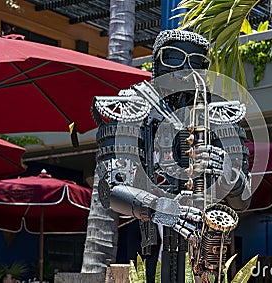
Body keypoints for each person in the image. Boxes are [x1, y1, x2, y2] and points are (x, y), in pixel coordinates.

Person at [92, 29, 251, 283]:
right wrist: (162, 209)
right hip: (152, 244)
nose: (185, 70)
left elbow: (243, 199)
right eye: (174, 58)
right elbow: (108, 188)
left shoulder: (220, 114)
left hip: (207, 248)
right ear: (157, 62)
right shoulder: (134, 105)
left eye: (195, 62)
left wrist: (227, 172)